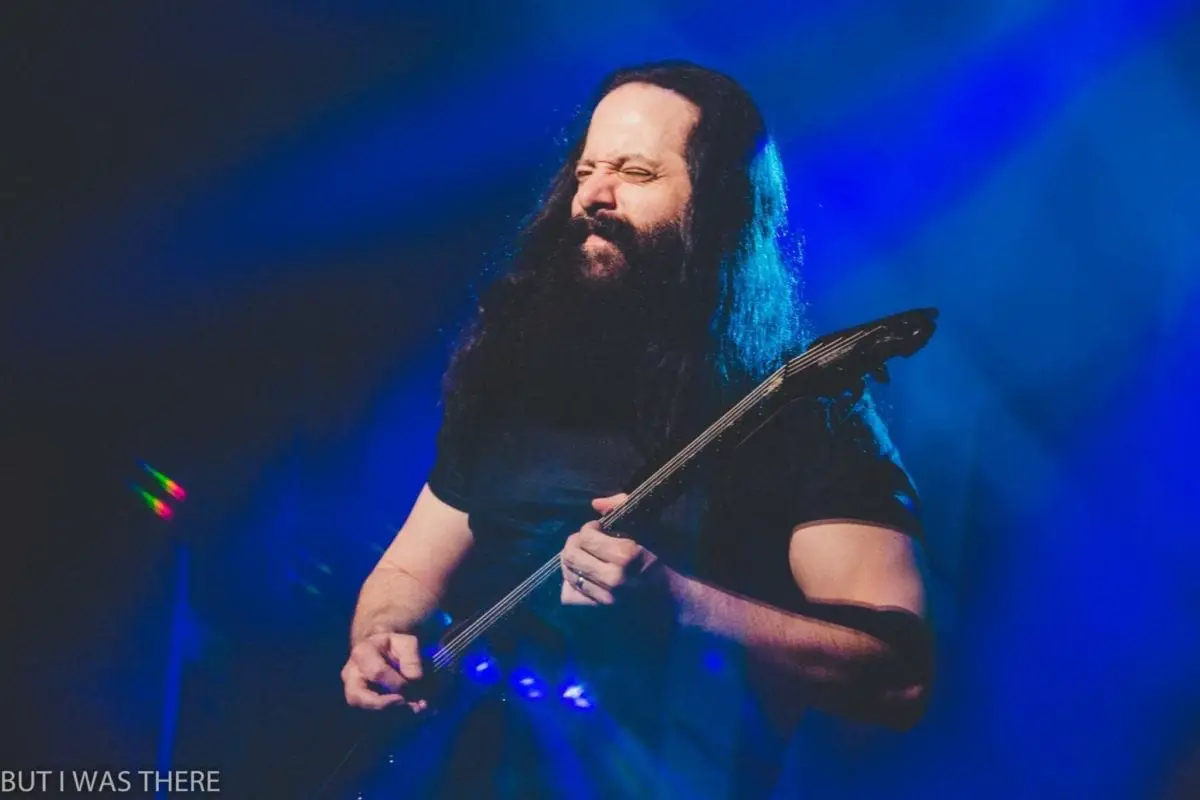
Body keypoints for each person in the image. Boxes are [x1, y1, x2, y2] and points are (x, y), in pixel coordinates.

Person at [340, 60, 933, 798]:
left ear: (720, 205)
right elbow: (406, 573)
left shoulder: (805, 411)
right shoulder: (516, 382)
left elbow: (897, 678)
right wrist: (382, 637)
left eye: (636, 172)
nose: (594, 195)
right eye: (586, 171)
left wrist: (683, 605)